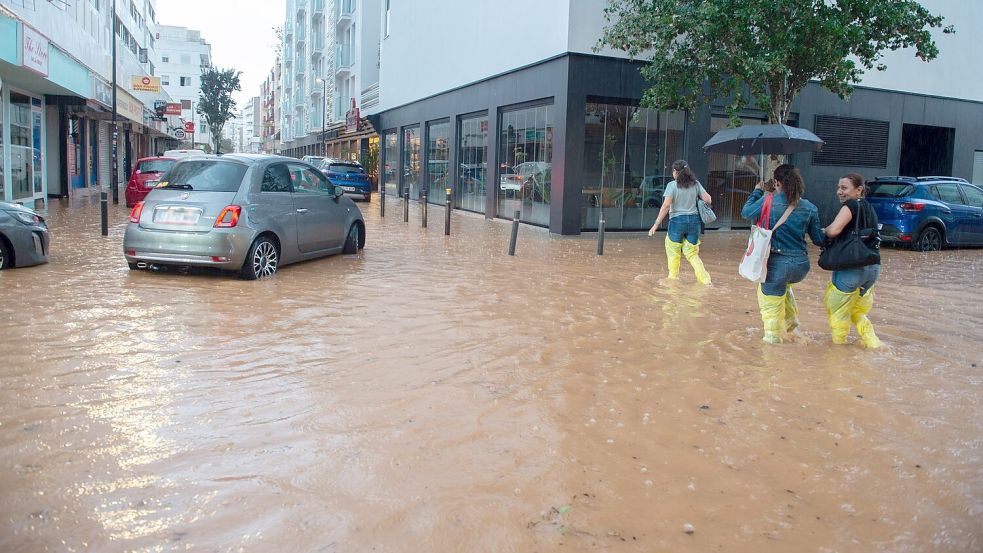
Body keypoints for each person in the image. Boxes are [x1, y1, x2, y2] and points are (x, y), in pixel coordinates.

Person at [741, 164, 825, 344]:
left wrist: (757, 191)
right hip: (800, 266)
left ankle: (773, 347)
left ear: (777, 182)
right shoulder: (810, 207)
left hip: (776, 265)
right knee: (784, 287)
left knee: (769, 305)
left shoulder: (768, 200)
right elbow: (819, 239)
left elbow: (746, 212)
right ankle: (791, 327)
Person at [822, 173, 883, 348]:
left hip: (852, 267)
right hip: (873, 268)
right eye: (838, 188)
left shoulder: (850, 206)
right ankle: (873, 343)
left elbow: (834, 230)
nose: (839, 192)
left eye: (844, 188)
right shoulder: (870, 208)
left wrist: (824, 230)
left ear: (859, 190)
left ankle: (838, 350)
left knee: (838, 310)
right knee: (856, 310)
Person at [647, 160, 712, 285]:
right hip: (694, 222)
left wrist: (656, 224)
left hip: (677, 221)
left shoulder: (672, 185)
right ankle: (706, 281)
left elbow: (666, 206)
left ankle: (673, 279)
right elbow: (708, 199)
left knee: (673, 251)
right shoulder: (696, 184)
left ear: (676, 172)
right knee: (692, 253)